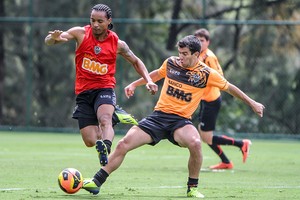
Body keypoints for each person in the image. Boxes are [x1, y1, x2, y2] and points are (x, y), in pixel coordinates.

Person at [81, 35, 265, 198]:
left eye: (185, 53)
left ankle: (192, 188)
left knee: (195, 142)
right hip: (158, 117)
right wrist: (136, 84)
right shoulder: (171, 63)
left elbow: (231, 88)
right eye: (179, 52)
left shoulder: (206, 74)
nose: (181, 56)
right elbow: (157, 74)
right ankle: (96, 182)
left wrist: (253, 103)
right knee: (123, 144)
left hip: (180, 122)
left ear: (196, 54)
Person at [44, 4, 157, 166]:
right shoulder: (81, 33)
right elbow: (53, 40)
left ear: (108, 21)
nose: (95, 24)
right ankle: (115, 117)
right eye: (92, 20)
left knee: (105, 120)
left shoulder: (118, 43)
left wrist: (149, 80)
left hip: (104, 88)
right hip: (83, 93)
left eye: (100, 21)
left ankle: (106, 146)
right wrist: (53, 38)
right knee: (90, 140)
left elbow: (136, 61)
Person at [194, 28, 252, 170]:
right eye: (197, 40)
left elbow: (219, 76)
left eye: (202, 40)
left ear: (208, 42)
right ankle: (226, 162)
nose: (199, 43)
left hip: (212, 100)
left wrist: (202, 81)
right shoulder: (198, 55)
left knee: (206, 137)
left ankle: (241, 144)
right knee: (203, 134)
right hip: (204, 100)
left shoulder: (209, 57)